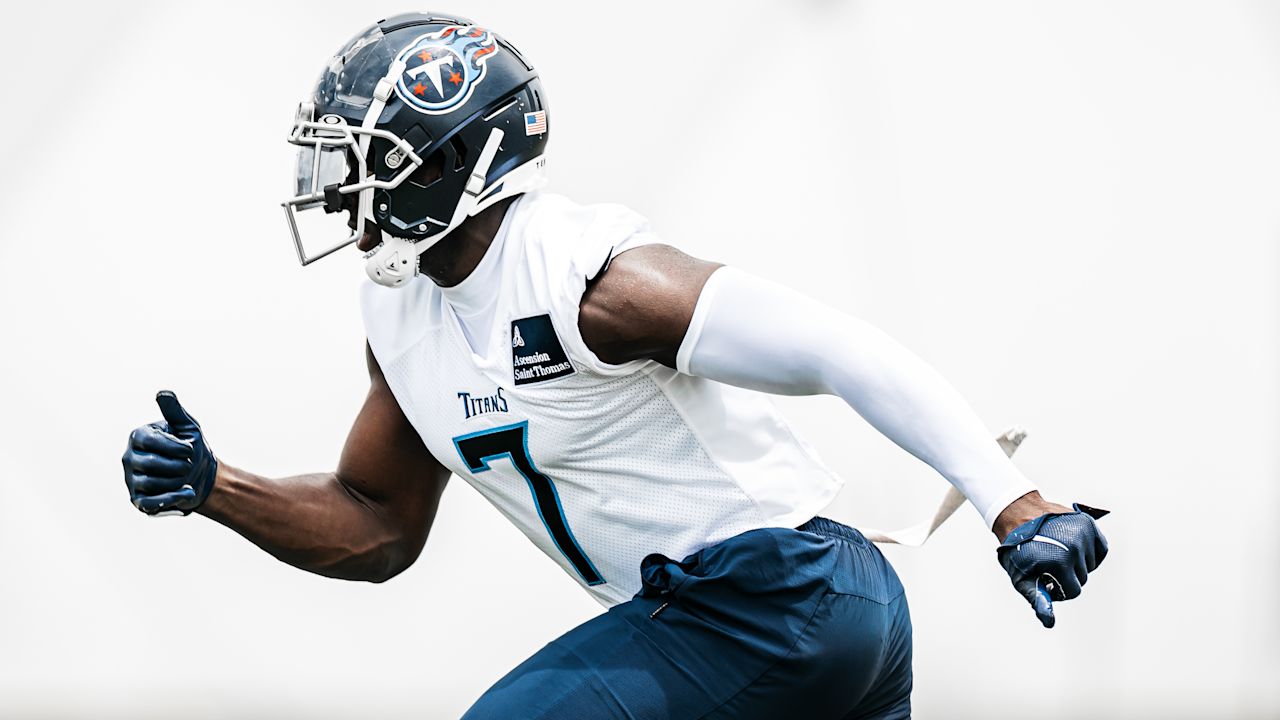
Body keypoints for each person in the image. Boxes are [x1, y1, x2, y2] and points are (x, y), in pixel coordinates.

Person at [121, 12, 1108, 719]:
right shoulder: (398, 311)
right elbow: (376, 525)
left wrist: (1011, 504)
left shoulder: (590, 280)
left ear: (448, 160)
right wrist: (216, 487)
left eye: (368, 157)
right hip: (765, 635)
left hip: (776, 597)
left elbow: (834, 348)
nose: (341, 190)